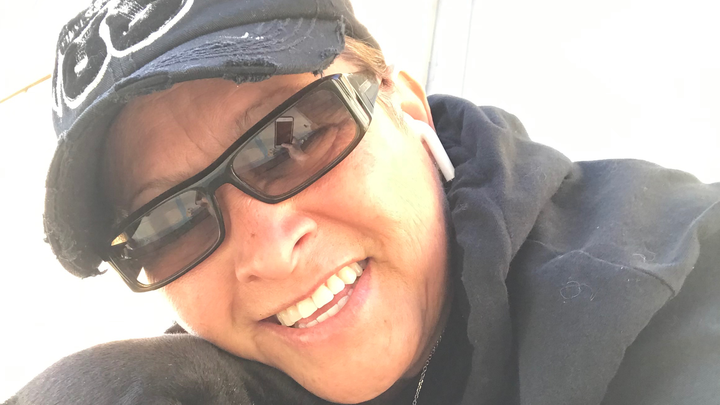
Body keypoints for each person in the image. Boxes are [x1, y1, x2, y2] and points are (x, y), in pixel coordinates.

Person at [5, 0, 720, 404]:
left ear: (406, 106)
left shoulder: (673, 277)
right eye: (170, 220)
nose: (268, 251)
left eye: (292, 138)